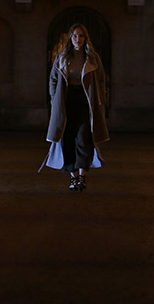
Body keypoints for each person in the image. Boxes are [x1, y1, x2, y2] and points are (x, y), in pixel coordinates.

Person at [40, 24, 109, 191]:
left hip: (86, 101)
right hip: (66, 100)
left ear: (86, 38)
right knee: (67, 138)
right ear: (70, 38)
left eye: (81, 36)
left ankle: (82, 176)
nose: (78, 39)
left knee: (84, 138)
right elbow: (53, 80)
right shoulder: (62, 57)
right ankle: (73, 177)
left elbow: (101, 80)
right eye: (75, 36)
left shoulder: (93, 58)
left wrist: (101, 99)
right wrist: (54, 99)